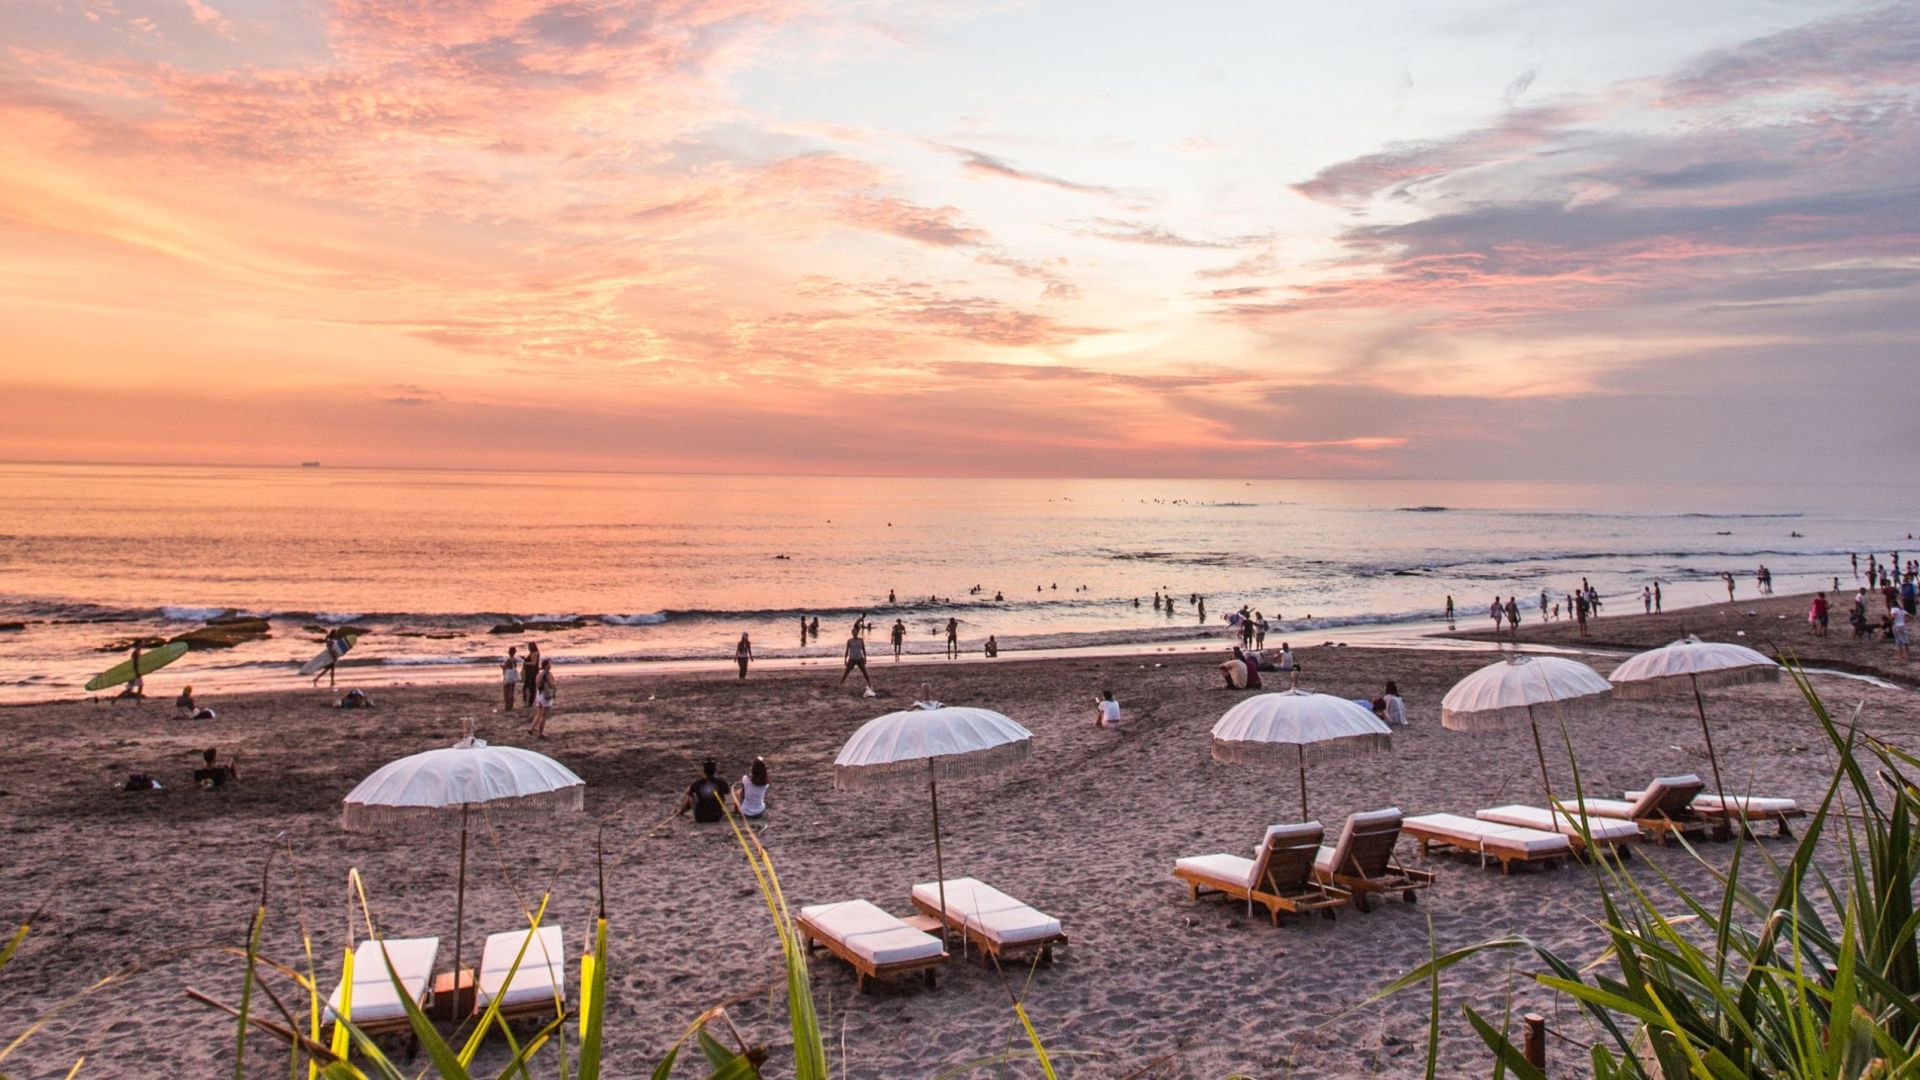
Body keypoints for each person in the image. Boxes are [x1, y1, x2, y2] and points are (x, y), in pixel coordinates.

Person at [528, 659, 555, 736]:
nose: (550, 665)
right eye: (549, 664)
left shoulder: (538, 674)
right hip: (545, 695)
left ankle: (531, 728)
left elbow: (537, 684)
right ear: (546, 666)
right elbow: (551, 685)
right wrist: (554, 684)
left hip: (539, 695)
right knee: (544, 716)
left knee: (538, 713)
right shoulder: (548, 674)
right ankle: (540, 732)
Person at [522, 643, 540, 707]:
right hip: (530, 671)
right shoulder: (532, 653)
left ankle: (530, 702)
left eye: (529, 646)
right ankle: (529, 701)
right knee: (529, 686)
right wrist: (524, 659)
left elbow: (534, 663)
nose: (528, 648)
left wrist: (525, 663)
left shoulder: (535, 653)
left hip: (532, 672)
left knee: (530, 686)